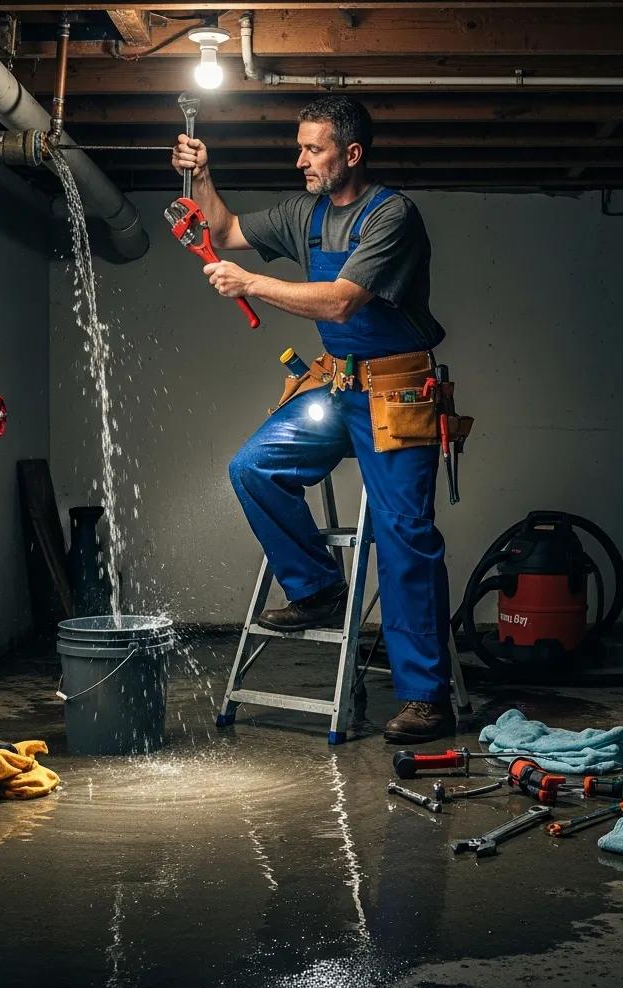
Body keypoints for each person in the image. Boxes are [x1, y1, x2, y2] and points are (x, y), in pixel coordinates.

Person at [172, 95, 455, 743]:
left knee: (405, 534)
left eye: (313, 149)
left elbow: (340, 304)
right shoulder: (305, 211)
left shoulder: (392, 216)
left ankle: (425, 697)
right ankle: (318, 588)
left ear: (350, 154)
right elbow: (224, 230)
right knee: (254, 468)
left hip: (396, 392)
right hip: (336, 387)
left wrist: (250, 285)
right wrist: (203, 174)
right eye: (299, 147)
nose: (300, 159)